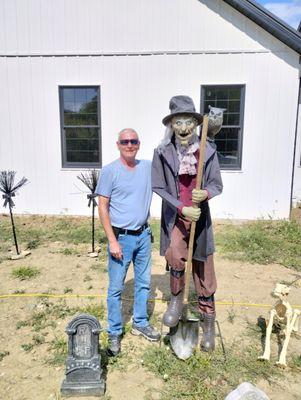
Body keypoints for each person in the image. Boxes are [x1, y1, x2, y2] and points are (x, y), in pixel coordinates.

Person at [152, 96, 223, 351]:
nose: (183, 128)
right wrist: (182, 207)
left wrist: (205, 195)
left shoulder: (208, 150)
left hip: (201, 221)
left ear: (195, 123)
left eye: (188, 122)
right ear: (172, 124)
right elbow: (158, 186)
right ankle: (175, 302)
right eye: (178, 122)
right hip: (177, 218)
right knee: (175, 255)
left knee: (204, 271)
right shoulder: (161, 153)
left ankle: (208, 326)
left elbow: (217, 184)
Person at [96, 128, 160, 356]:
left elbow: (169, 168)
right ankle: (114, 330)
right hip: (120, 237)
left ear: (139, 144)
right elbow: (102, 207)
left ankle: (140, 323)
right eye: (125, 141)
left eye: (133, 141)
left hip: (143, 236)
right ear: (118, 144)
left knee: (143, 283)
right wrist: (112, 241)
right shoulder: (110, 171)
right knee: (115, 288)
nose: (129, 145)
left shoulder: (147, 168)